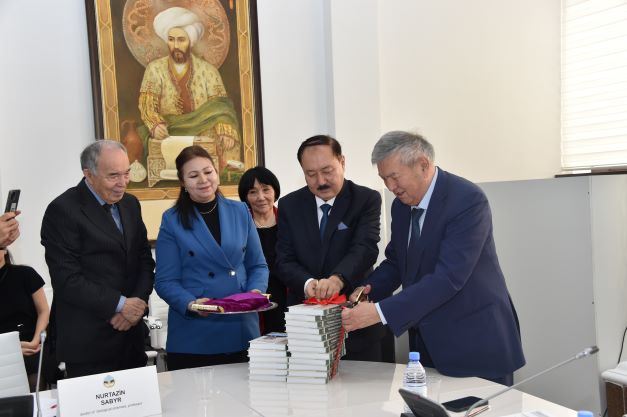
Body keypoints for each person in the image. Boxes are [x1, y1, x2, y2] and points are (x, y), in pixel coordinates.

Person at [341, 131, 525, 385]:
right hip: (428, 343)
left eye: (394, 177)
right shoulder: (401, 206)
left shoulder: (467, 200)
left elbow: (448, 278)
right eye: (384, 179)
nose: (390, 187)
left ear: (423, 165)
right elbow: (397, 261)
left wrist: (380, 312)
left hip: (476, 341)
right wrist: (367, 289)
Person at [41, 140, 154, 378]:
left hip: (132, 338)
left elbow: (144, 259)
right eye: (113, 176)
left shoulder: (130, 204)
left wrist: (136, 305)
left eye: (126, 173)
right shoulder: (63, 210)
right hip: (89, 343)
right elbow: (67, 280)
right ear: (88, 174)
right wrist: (121, 305)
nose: (123, 183)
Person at [275, 135, 389, 361]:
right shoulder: (289, 205)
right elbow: (283, 259)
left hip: (355, 324)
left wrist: (337, 279)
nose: (321, 181)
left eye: (327, 171)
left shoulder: (366, 199)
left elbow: (364, 248)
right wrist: (307, 283)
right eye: (311, 174)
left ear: (342, 162)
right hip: (307, 328)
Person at [155, 145, 268, 370]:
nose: (203, 180)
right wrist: (190, 303)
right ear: (182, 182)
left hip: (241, 328)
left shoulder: (240, 211)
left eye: (208, 172)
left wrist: (254, 293)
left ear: (217, 173)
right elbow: (165, 281)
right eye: (193, 175)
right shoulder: (172, 220)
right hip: (195, 334)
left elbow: (258, 265)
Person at [137, 6, 240, 172]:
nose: (175, 45)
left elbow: (221, 108)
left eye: (181, 40)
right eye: (171, 40)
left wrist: (225, 131)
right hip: (169, 131)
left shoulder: (208, 71)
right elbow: (147, 104)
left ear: (191, 41)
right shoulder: (154, 69)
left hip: (203, 133)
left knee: (227, 144)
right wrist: (155, 125)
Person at [238, 166, 286, 333]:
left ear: (275, 191)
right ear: (245, 196)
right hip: (253, 296)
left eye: (266, 189)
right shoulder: (240, 225)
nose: (261, 197)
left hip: (286, 294)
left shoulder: (289, 221)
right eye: (253, 192)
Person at [0, 248, 49, 391]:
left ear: (5, 250)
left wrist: (35, 341)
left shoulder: (25, 274)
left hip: (31, 342)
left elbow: (43, 311)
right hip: (3, 348)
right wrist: (9, 348)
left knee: (35, 375)